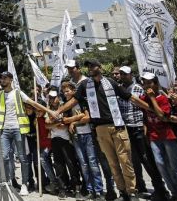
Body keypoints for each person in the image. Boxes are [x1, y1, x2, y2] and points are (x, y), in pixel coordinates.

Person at [56, 59, 147, 201]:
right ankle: (122, 192)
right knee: (113, 163)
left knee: (125, 161)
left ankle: (132, 191)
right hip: (100, 129)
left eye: (92, 66)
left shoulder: (110, 82)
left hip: (117, 126)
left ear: (100, 67)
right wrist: (58, 111)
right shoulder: (85, 85)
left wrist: (149, 107)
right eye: (88, 67)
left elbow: (130, 97)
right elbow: (74, 101)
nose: (90, 68)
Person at [0, 71, 58, 195]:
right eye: (1, 78)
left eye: (5, 78)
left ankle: (24, 185)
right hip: (4, 130)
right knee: (4, 157)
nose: (2, 80)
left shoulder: (18, 93)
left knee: (22, 158)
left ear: (10, 79)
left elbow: (33, 103)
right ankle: (8, 182)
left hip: (18, 129)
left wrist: (49, 111)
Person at [117, 66, 168, 200]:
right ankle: (140, 186)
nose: (122, 76)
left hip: (139, 127)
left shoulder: (138, 88)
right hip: (127, 128)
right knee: (133, 160)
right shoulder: (119, 89)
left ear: (131, 75)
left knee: (147, 160)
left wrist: (145, 124)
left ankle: (160, 189)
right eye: (121, 74)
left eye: (125, 74)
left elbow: (146, 108)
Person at [140, 73, 177, 201]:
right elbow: (145, 117)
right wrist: (147, 135)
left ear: (155, 84)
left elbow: (161, 115)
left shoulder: (162, 98)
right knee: (161, 165)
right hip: (154, 137)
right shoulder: (143, 98)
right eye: (144, 83)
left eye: (149, 83)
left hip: (168, 136)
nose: (146, 86)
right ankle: (174, 193)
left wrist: (152, 98)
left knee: (175, 167)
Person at [61, 81, 104, 200]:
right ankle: (90, 190)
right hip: (76, 137)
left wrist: (74, 121)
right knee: (83, 164)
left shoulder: (82, 101)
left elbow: (88, 117)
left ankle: (99, 191)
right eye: (64, 92)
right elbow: (64, 120)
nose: (66, 93)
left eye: (68, 90)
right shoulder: (65, 105)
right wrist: (78, 117)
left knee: (93, 163)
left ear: (74, 91)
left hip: (88, 134)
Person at [45, 89, 82, 199]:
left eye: (54, 97)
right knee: (58, 165)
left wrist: (58, 123)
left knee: (71, 164)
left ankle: (77, 188)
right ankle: (62, 188)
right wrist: (57, 123)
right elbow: (47, 124)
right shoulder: (48, 109)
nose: (52, 100)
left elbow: (66, 122)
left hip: (67, 140)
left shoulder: (65, 107)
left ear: (58, 97)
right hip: (55, 139)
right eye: (50, 98)